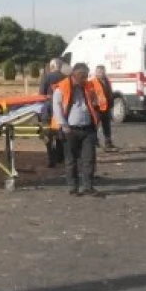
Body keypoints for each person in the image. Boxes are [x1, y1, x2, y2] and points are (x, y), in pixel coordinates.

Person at [51, 62, 106, 196]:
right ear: (75, 75)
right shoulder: (61, 88)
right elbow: (57, 108)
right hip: (70, 130)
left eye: (86, 76)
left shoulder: (88, 86)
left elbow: (96, 103)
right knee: (71, 160)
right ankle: (73, 187)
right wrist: (64, 125)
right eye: (83, 77)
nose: (85, 79)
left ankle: (88, 186)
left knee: (89, 159)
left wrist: (96, 117)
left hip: (88, 129)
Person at [39, 58, 68, 167]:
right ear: (60, 66)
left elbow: (41, 94)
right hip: (60, 110)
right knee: (60, 134)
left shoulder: (46, 77)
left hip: (48, 110)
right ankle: (60, 157)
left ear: (52, 66)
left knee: (48, 135)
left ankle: (51, 160)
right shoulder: (66, 78)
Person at [92, 65, 117, 150]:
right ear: (96, 72)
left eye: (102, 72)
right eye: (99, 72)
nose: (100, 73)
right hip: (97, 108)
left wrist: (111, 103)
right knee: (95, 125)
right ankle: (94, 142)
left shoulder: (107, 81)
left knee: (107, 126)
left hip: (106, 107)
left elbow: (109, 93)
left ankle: (108, 143)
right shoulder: (93, 81)